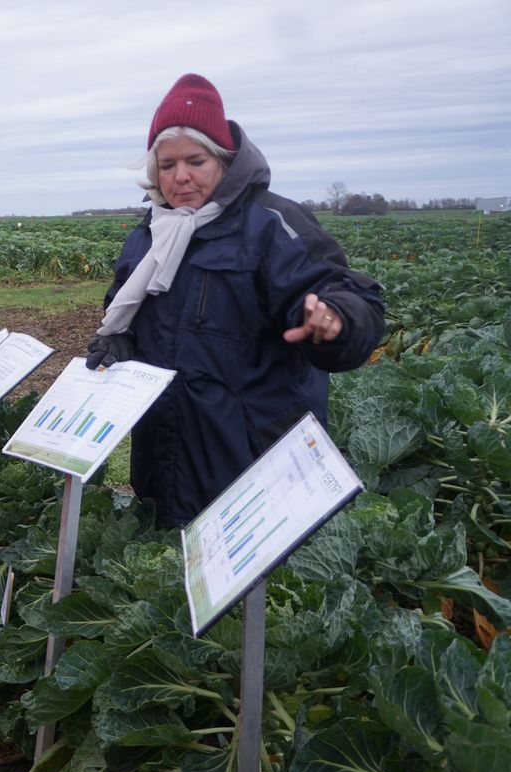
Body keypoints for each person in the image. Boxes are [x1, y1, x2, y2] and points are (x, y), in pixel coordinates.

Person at [85, 73, 385, 528]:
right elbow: (128, 322)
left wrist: (336, 321)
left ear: (224, 161)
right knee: (168, 580)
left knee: (263, 594)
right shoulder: (148, 236)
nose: (180, 177)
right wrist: (120, 348)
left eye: (195, 160)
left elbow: (351, 297)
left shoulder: (270, 225)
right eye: (167, 165)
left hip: (253, 466)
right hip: (163, 459)